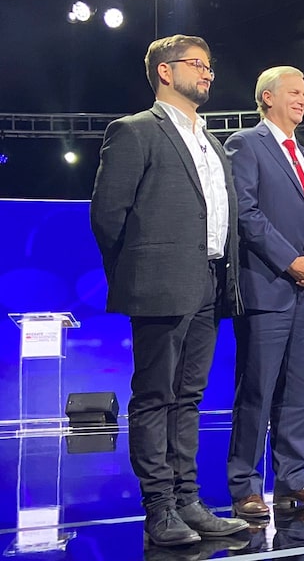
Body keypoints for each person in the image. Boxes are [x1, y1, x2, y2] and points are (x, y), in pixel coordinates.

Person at [90, 34, 248, 547]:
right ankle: (159, 507)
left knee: (189, 397)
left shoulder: (211, 141)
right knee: (156, 395)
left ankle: (188, 500)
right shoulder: (135, 131)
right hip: (161, 281)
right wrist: (137, 272)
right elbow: (108, 215)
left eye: (209, 65)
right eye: (198, 65)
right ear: (165, 70)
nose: (208, 73)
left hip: (209, 280)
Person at [225, 66, 304, 519]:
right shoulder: (245, 145)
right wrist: (289, 260)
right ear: (267, 97)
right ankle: (245, 485)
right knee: (256, 389)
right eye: (294, 92)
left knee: (298, 391)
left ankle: (294, 478)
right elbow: (246, 212)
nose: (303, 99)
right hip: (268, 287)